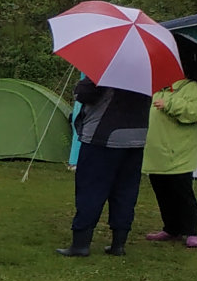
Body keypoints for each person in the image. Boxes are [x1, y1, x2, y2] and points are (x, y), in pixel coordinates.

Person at [59, 75, 150, 256]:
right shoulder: (146, 75)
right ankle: (118, 244)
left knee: (91, 190)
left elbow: (82, 94)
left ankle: (80, 244)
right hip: (136, 137)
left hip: (103, 136)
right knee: (126, 191)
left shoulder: (106, 73)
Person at [141, 71, 197, 247]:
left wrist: (169, 104)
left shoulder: (192, 88)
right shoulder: (158, 89)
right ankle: (171, 228)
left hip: (178, 154)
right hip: (156, 154)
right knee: (162, 192)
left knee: (182, 193)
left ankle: (191, 231)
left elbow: (194, 112)